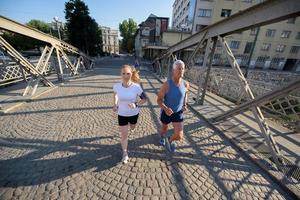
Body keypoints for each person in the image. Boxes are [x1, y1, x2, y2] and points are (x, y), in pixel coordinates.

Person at [113, 65, 147, 163]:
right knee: (124, 135)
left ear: (131, 74)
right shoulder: (117, 86)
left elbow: (144, 99)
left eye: (128, 73)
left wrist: (135, 104)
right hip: (122, 114)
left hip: (133, 113)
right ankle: (125, 153)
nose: (125, 76)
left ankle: (132, 127)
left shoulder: (136, 87)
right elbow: (115, 94)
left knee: (132, 127)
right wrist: (115, 104)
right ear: (121, 74)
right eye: (123, 73)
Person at [157, 60, 190, 152]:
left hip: (178, 113)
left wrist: (184, 104)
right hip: (166, 112)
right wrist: (165, 108)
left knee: (179, 136)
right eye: (178, 69)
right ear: (173, 70)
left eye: (182, 69)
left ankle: (170, 140)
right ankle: (163, 137)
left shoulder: (186, 84)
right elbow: (159, 100)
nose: (181, 71)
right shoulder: (166, 85)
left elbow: (185, 94)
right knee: (164, 129)